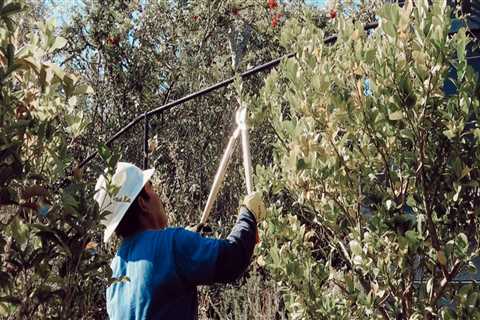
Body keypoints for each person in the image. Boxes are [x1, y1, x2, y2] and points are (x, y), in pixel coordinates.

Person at [94, 162, 266, 319]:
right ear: (142, 203)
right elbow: (232, 259)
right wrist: (248, 216)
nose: (156, 195)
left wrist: (185, 242)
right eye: (151, 187)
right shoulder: (172, 244)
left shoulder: (114, 271)